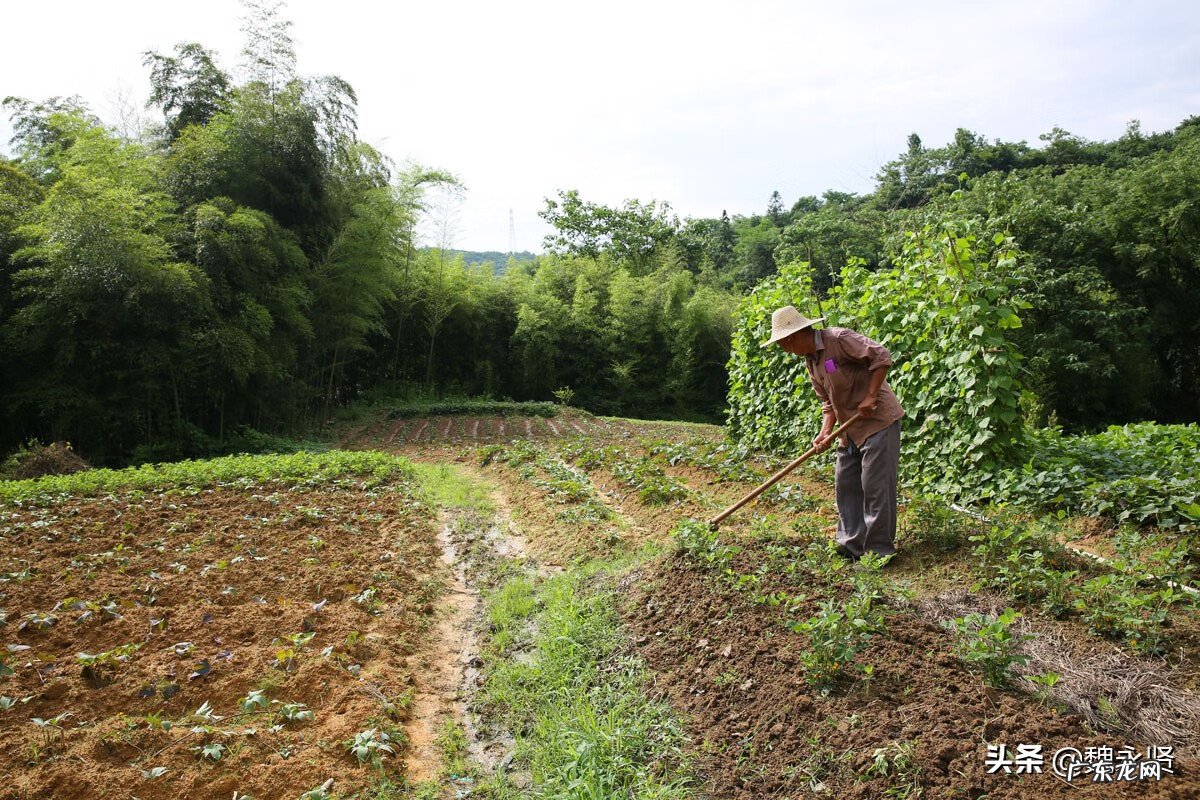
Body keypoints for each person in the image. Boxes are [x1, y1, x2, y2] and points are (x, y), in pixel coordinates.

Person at [762, 305, 905, 560]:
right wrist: (824, 433)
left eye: (781, 344)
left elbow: (881, 356)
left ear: (792, 337)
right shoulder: (811, 362)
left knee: (875, 487)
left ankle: (878, 551)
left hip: (877, 422)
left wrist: (871, 396)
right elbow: (827, 402)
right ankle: (851, 545)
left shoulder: (838, 340)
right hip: (847, 430)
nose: (783, 349)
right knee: (846, 484)